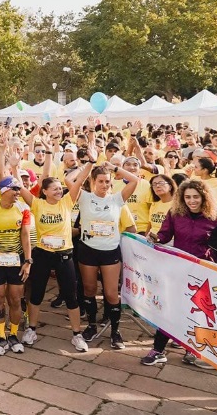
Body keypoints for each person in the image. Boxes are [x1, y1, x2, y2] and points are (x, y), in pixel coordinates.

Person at [16, 133, 89, 352]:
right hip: (42, 254)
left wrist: (90, 163)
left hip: (65, 254)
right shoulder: (37, 204)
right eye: (55, 188)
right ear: (45, 191)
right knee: (36, 293)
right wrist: (13, 166)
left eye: (60, 187)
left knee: (71, 294)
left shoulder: (67, 201)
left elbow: (81, 180)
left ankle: (77, 334)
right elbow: (20, 187)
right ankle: (32, 329)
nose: (60, 190)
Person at [143, 179, 217, 366]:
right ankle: (158, 349)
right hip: (177, 268)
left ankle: (192, 350)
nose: (192, 201)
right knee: (170, 308)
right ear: (181, 197)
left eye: (196, 197)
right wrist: (156, 238)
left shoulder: (216, 216)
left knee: (196, 312)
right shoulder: (175, 213)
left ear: (204, 197)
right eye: (187, 197)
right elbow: (165, 235)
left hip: (203, 272)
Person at [76, 142, 138, 349]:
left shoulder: (117, 199)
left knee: (111, 293)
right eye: (100, 181)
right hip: (88, 249)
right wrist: (89, 166)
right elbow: (70, 181)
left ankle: (115, 331)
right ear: (93, 182)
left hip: (110, 250)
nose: (104, 185)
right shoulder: (84, 197)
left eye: (107, 182)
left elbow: (134, 179)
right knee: (89, 288)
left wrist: (114, 168)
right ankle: (92, 326)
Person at [0, 176, 33, 356]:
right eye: (15, 190)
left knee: (16, 299)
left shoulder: (24, 209)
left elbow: (25, 237)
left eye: (19, 189)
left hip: (17, 260)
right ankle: (1, 336)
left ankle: (13, 335)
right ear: (3, 191)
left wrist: (28, 261)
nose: (18, 192)